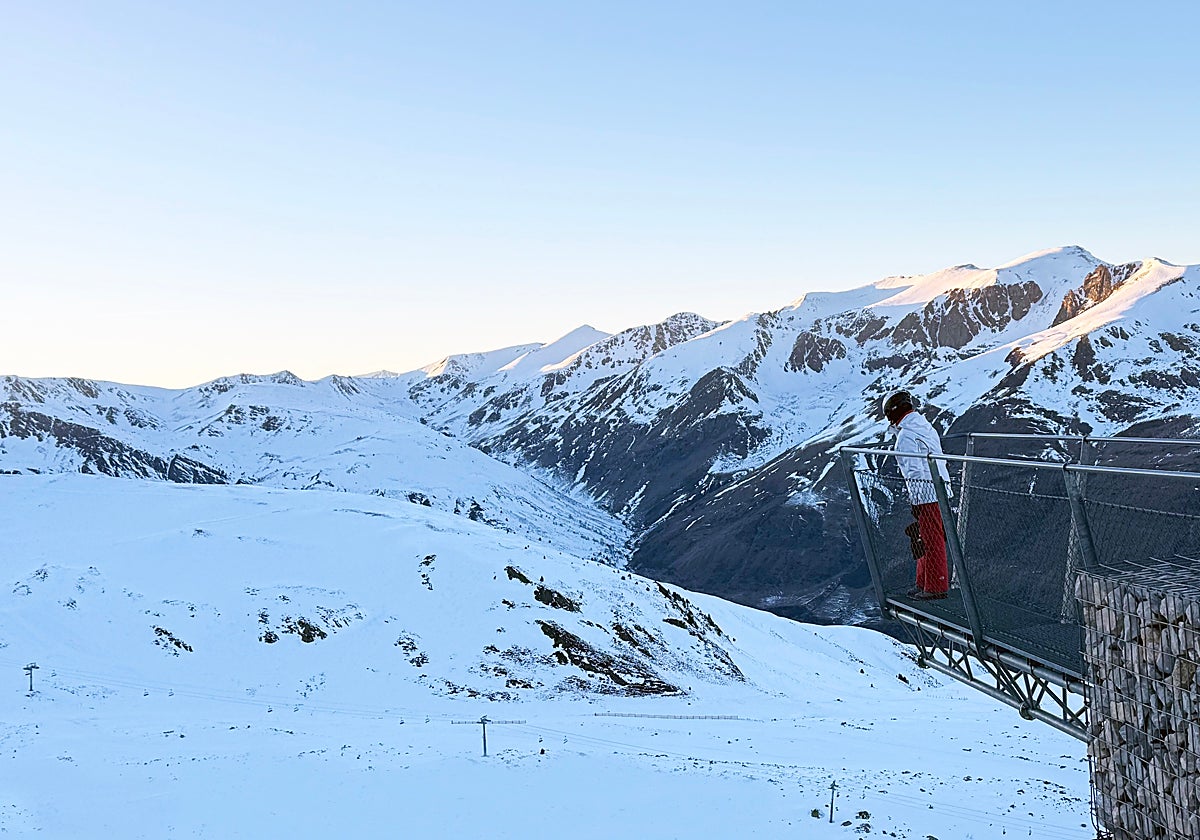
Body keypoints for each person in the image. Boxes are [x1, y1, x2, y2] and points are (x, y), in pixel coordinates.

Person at [882, 390, 950, 600]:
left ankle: (935, 587)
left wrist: (916, 501)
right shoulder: (923, 426)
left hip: (927, 495)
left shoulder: (906, 437)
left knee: (930, 541)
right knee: (925, 538)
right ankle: (923, 582)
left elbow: (914, 473)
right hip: (939, 487)